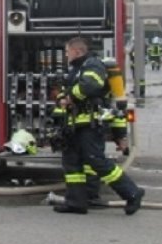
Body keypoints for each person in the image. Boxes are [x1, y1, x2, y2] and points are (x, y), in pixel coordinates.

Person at [52, 37, 144, 215]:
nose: (65, 55)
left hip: (90, 124)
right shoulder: (76, 69)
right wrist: (61, 97)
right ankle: (76, 202)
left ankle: (132, 192)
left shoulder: (92, 64)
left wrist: (70, 97)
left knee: (96, 161)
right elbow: (66, 89)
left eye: (67, 51)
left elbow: (91, 85)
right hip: (75, 124)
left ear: (77, 51)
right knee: (72, 163)